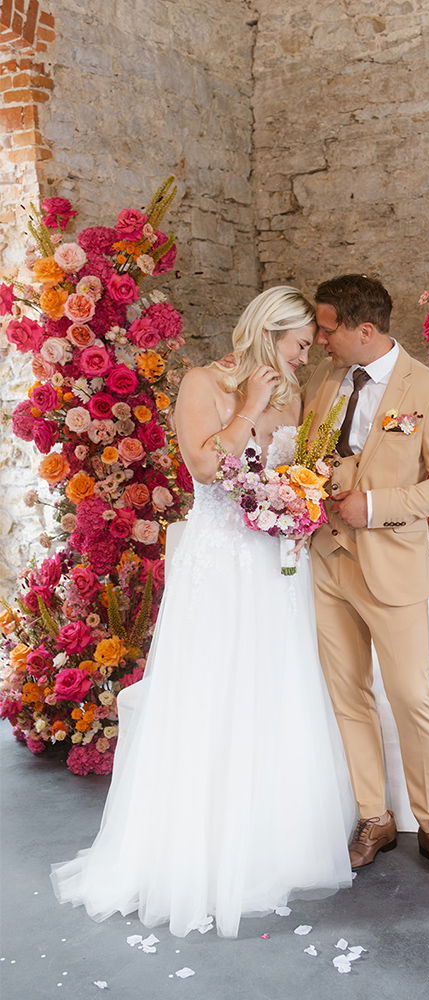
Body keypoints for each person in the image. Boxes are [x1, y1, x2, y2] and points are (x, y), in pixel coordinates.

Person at [50, 286, 355, 939]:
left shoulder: (296, 397)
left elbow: (290, 473)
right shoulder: (202, 382)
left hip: (277, 570)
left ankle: (273, 846)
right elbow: (204, 465)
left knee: (275, 696)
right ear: (270, 333)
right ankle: (199, 851)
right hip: (219, 567)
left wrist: (299, 501)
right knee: (213, 696)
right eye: (300, 345)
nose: (304, 360)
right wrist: (246, 409)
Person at [304, 274, 429, 884]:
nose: (319, 339)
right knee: (348, 697)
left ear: (363, 330)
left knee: (411, 698)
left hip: (394, 565)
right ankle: (374, 817)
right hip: (327, 561)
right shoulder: (324, 383)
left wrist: (374, 506)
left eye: (327, 328)